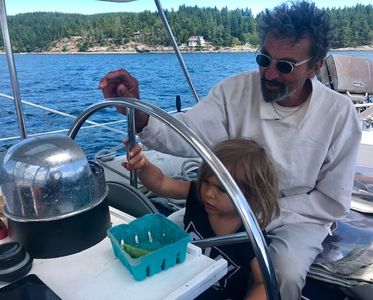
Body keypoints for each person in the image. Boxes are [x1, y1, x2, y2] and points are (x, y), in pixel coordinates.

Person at [99, 1, 362, 298]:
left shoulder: (339, 115)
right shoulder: (235, 90)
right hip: (229, 205)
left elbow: (331, 202)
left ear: (315, 66)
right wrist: (140, 112)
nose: (270, 74)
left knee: (283, 275)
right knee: (161, 243)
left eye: (285, 66)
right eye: (264, 59)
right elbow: (186, 133)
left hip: (298, 218)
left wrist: (260, 211)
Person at [124, 138, 280, 300]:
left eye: (222, 189)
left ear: (251, 197)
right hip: (178, 285)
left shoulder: (250, 235)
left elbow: (264, 284)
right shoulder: (197, 198)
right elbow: (161, 183)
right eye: (205, 182)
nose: (209, 193)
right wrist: (144, 166)